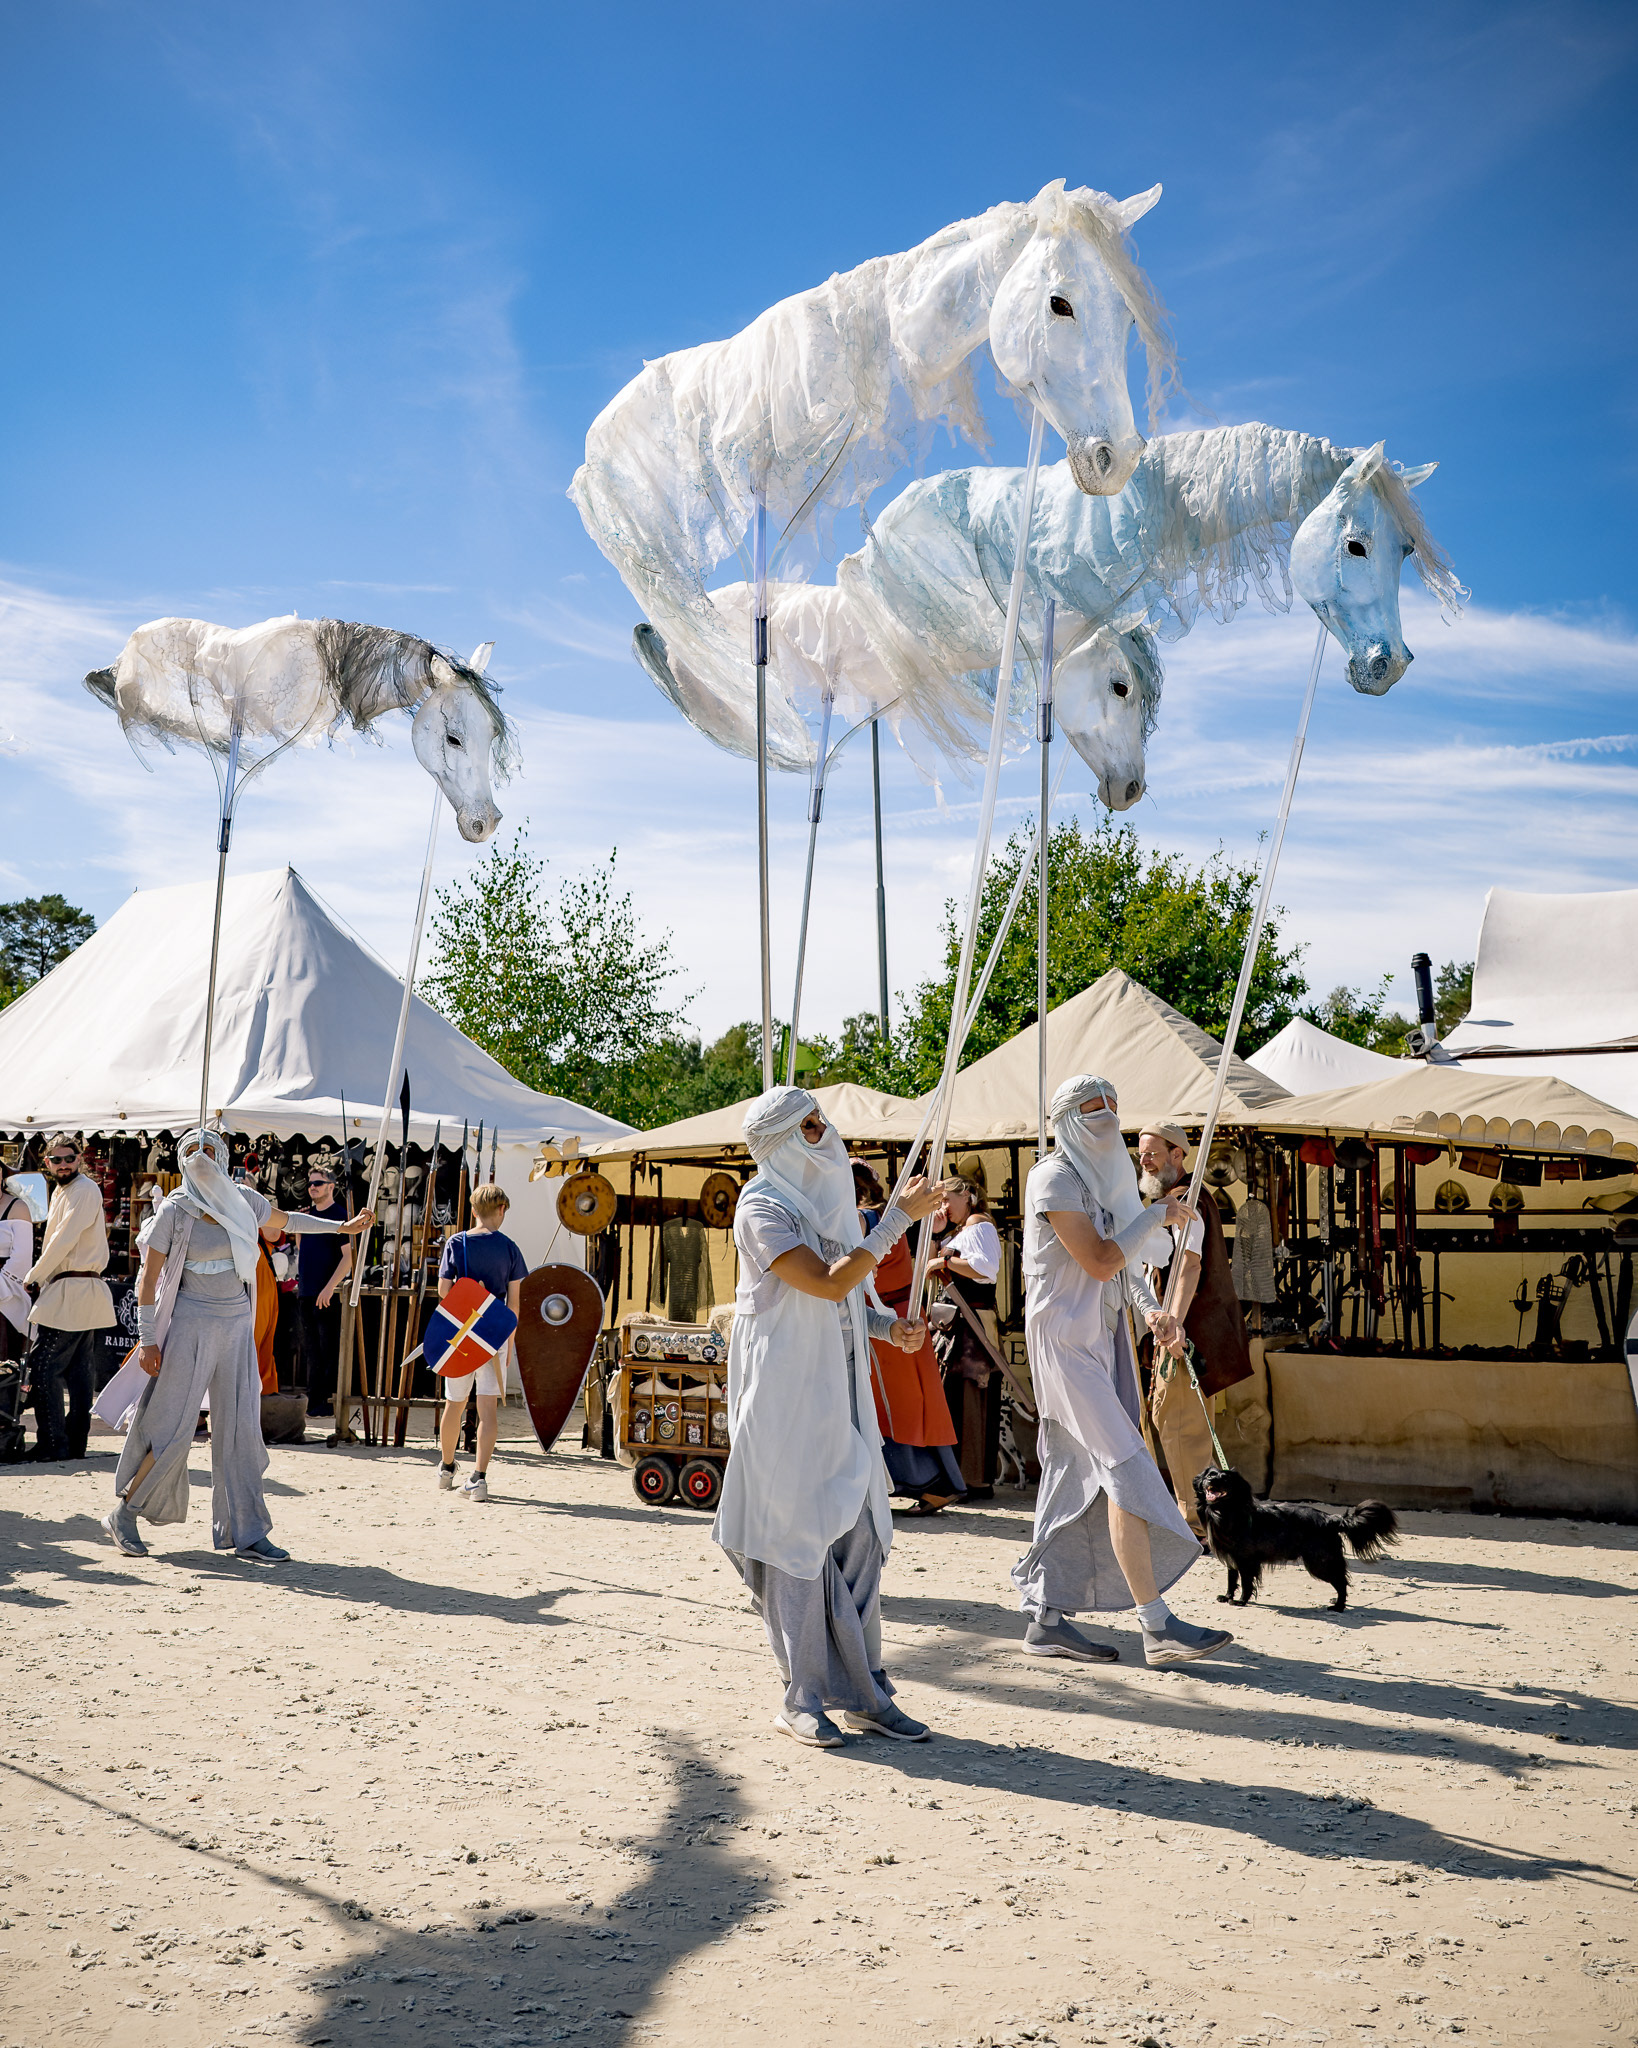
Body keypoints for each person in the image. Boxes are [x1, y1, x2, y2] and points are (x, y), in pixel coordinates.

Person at [713, 1086, 952, 1748]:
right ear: (781, 1140)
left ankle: (866, 1691)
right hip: (784, 1393)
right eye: (809, 1126)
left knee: (860, 1534)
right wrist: (895, 1222)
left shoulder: (828, 1203)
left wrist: (886, 1327)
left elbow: (844, 1301)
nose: (825, 1132)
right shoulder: (761, 1205)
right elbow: (821, 1282)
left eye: (822, 1121)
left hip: (841, 1394)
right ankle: (803, 1696)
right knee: (796, 1541)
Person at [1011, 1076, 1235, 1667]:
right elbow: (1102, 1255)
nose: (1107, 1116)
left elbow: (1124, 1266)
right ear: (1064, 1118)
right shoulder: (1053, 1176)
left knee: (1072, 1473)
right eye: (1093, 1109)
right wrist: (1156, 1214)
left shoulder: (1102, 1181)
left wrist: (1152, 1309)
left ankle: (1048, 1618)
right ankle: (1156, 1623)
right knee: (1125, 1462)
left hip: (1103, 1335)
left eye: (1114, 1104)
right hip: (1063, 1342)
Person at [102, 1127, 373, 1560]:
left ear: (224, 1156)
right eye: (193, 1150)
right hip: (190, 1326)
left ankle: (246, 1531)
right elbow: (148, 1281)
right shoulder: (176, 1210)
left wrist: (343, 1225)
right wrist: (148, 1340)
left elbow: (290, 1221)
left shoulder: (245, 1200)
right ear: (182, 1158)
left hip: (236, 1326)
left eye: (210, 1149)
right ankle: (125, 1513)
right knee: (171, 1428)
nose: (202, 1156)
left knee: (241, 1432)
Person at [1136, 1120, 1255, 1531]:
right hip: (1176, 1331)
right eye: (1141, 1153)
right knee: (1168, 1421)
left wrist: (1174, 1325)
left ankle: (1197, 1524)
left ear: (1178, 1155)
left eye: (1153, 1152)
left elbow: (1189, 1263)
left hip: (1187, 1337)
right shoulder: (1171, 1199)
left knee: (1181, 1425)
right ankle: (1190, 1517)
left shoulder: (1188, 1199)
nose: (1144, 1160)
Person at [862, 1165, 965, 1517]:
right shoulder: (889, 1216)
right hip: (898, 1316)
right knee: (914, 1404)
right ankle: (937, 1484)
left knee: (896, 1408)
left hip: (890, 1321)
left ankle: (930, 1484)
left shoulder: (869, 1220)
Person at [24, 1134, 116, 1462]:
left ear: (79, 1159)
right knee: (78, 1373)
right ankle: (72, 1444)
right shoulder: (65, 1191)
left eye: (69, 1158)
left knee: (45, 1368)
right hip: (74, 1289)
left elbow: (64, 1238)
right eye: (56, 1160)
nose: (63, 1164)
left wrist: (33, 1275)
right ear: (47, 1163)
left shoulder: (85, 1189)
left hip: (74, 1289)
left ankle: (54, 1443)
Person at [436, 1182, 527, 1501]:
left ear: (474, 1211)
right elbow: (514, 1304)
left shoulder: (456, 1242)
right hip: (493, 1335)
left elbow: (444, 1292)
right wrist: (510, 1340)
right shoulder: (510, 1248)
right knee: (488, 1409)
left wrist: (469, 1291)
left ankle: (447, 1469)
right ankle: (479, 1478)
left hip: (461, 1332)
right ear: (501, 1209)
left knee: (454, 1405)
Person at [924, 1177, 1005, 1498]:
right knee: (953, 1398)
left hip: (971, 1327)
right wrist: (936, 1235)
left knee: (971, 1399)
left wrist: (944, 1260)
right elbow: (926, 1268)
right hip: (954, 1326)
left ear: (968, 1196)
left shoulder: (979, 1224)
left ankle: (973, 1479)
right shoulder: (959, 1231)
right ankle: (958, 1476)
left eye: (947, 1199)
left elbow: (985, 1269)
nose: (943, 1206)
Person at [293, 1158, 351, 1417]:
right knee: (311, 1350)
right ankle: (314, 1402)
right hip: (306, 1290)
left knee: (327, 1350)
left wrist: (330, 1288)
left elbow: (349, 1257)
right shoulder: (306, 1216)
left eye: (318, 1183)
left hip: (326, 1293)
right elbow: (300, 1248)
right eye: (311, 1183)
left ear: (331, 1186)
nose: (313, 1187)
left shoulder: (339, 1216)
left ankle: (324, 1402)